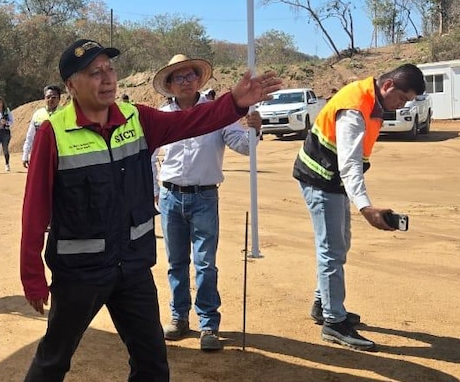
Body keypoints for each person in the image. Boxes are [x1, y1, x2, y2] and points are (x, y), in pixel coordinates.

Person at [20, 39, 280, 381]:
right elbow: (34, 210)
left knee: (153, 362)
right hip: (79, 273)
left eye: (110, 70)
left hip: (132, 268)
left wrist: (232, 103)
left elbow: (191, 122)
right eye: (95, 73)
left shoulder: (136, 118)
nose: (107, 79)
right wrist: (33, 277)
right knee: (53, 360)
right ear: (71, 84)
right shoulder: (54, 133)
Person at [292, 64, 425, 351]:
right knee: (332, 250)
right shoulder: (354, 109)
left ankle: (323, 303)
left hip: (332, 181)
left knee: (340, 245)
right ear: (388, 86)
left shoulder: (371, 102)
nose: (401, 106)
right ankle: (333, 322)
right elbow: (349, 165)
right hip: (321, 179)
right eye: (402, 99)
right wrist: (366, 208)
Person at [151, 55, 262, 352]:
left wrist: (253, 129)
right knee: (176, 263)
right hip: (171, 197)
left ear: (199, 80)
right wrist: (153, 190)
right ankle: (178, 317)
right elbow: (150, 155)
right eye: (179, 78)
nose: (186, 82)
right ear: (170, 86)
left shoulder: (216, 113)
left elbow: (243, 146)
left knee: (205, 264)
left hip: (204, 197)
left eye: (191, 76)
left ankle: (208, 324)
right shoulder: (162, 116)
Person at [21, 85, 62, 169]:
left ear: (59, 99)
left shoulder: (65, 114)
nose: (50, 99)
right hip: (41, 155)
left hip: (60, 157)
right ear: (44, 98)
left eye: (54, 97)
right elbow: (30, 136)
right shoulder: (37, 114)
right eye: (48, 97)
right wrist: (25, 155)